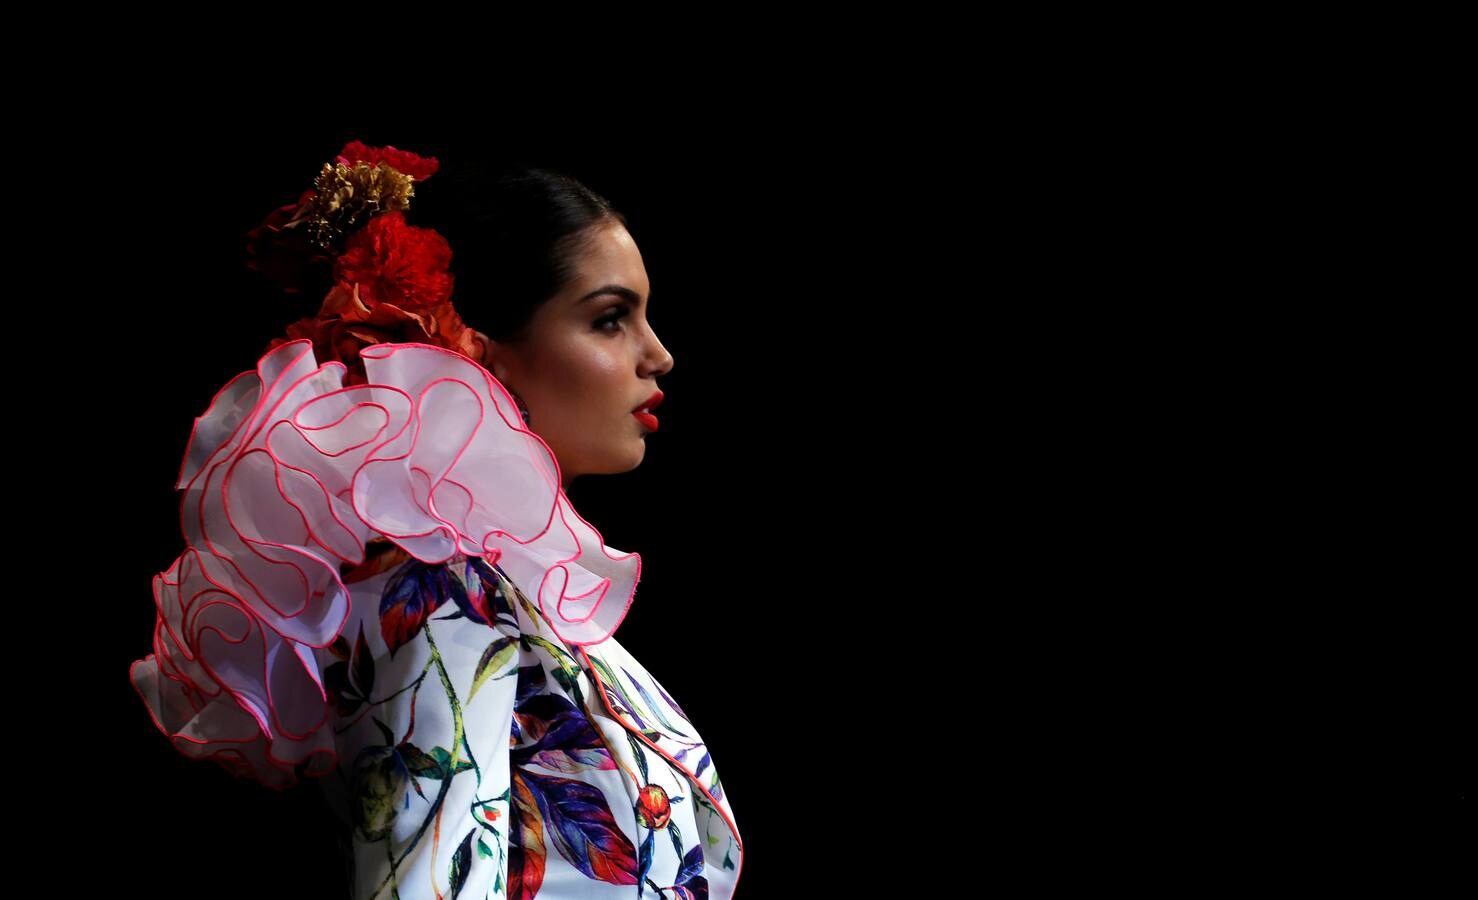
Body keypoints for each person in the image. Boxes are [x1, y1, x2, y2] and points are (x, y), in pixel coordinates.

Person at [128, 141, 743, 899]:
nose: (660, 355)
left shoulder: (515, 596)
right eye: (611, 319)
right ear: (483, 350)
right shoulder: (439, 593)